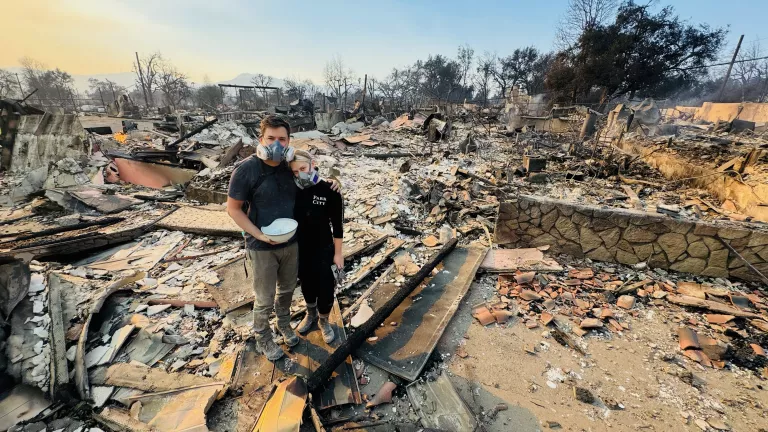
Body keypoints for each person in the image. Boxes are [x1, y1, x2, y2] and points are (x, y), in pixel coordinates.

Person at [226, 115, 299, 361]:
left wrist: (331, 183)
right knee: (265, 298)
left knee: (287, 290)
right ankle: (264, 338)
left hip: (291, 242)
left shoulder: (291, 165)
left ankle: (284, 324)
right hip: (261, 246)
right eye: (271, 139)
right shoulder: (246, 170)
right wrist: (257, 234)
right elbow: (233, 209)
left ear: (289, 142)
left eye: (282, 139)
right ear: (261, 140)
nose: (276, 145)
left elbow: (312, 179)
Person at [290, 150, 344, 344]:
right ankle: (310, 314)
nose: (299, 174)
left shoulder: (330, 190)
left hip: (324, 247)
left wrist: (338, 254)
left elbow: (338, 226)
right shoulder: (291, 190)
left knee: (326, 287)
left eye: (303, 169)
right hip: (300, 248)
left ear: (312, 164)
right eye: (295, 172)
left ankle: (324, 320)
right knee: (307, 284)